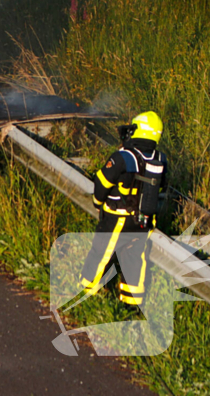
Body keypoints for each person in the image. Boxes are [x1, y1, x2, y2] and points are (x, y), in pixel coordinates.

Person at [80, 111, 168, 307]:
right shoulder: (160, 158)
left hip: (117, 219)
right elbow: (162, 187)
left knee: (101, 253)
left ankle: (86, 295)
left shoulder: (123, 157)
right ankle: (131, 304)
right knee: (134, 260)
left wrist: (97, 202)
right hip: (144, 222)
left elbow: (102, 182)